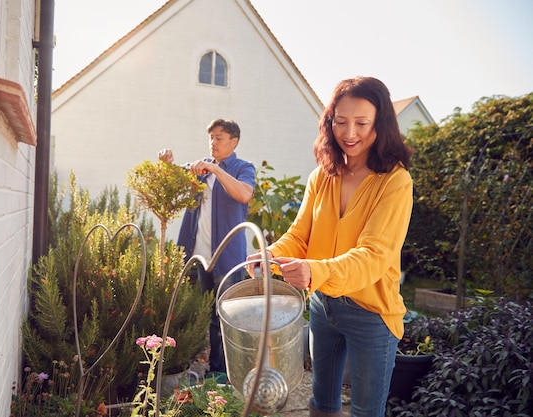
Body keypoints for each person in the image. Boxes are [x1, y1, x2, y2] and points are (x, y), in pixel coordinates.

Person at [246, 77, 413, 417]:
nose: (349, 133)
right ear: (329, 121)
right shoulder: (322, 175)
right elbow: (300, 234)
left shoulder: (395, 182)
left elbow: (374, 256)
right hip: (324, 306)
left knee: (366, 411)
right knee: (321, 404)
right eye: (340, 121)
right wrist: (273, 253)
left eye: (362, 123)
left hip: (372, 314)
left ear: (380, 124)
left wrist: (314, 270)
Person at [158, 118, 256, 380]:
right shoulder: (199, 168)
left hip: (227, 258)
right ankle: (194, 368)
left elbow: (244, 194)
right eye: (211, 137)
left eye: (219, 137)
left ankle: (220, 375)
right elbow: (174, 178)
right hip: (199, 256)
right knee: (199, 315)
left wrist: (217, 170)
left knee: (224, 318)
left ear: (233, 142)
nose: (213, 142)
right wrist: (168, 163)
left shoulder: (243, 168)